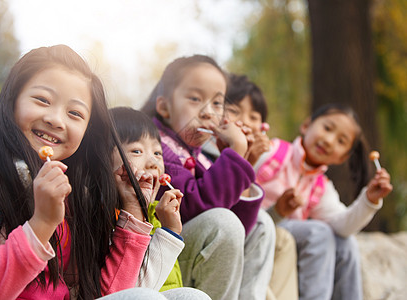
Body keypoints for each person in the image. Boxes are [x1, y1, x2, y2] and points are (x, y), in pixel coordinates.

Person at [0, 45, 170, 299]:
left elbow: (110, 294)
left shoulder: (74, 195)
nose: (56, 120)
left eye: (75, 113)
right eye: (43, 100)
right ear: (13, 99)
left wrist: (134, 211)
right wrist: (41, 224)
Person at [141, 55, 275, 300]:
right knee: (222, 222)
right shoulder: (156, 148)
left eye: (217, 103)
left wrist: (236, 157)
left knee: (263, 224)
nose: (207, 113)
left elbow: (239, 229)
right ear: (164, 107)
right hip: (159, 257)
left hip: (188, 248)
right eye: (195, 99)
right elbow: (194, 207)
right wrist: (234, 155)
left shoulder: (198, 154)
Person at [254, 103, 393, 300]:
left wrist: (369, 199)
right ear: (306, 125)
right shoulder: (271, 151)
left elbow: (343, 226)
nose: (328, 140)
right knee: (320, 232)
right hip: (259, 226)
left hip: (287, 236)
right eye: (327, 128)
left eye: (341, 141)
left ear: (342, 158)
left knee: (346, 244)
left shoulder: (321, 187)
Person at [209, 73, 298, 300]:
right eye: (235, 111)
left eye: (254, 116)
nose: (246, 121)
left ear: (263, 126)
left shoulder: (261, 159)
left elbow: (246, 217)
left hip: (240, 236)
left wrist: (247, 162)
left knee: (284, 239)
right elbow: (228, 216)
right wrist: (243, 160)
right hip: (215, 245)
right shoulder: (205, 152)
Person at [110, 106, 210, 299]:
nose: (153, 163)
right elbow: (132, 291)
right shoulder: (103, 217)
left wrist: (169, 230)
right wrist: (168, 234)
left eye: (158, 153)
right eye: (137, 151)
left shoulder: (157, 214)